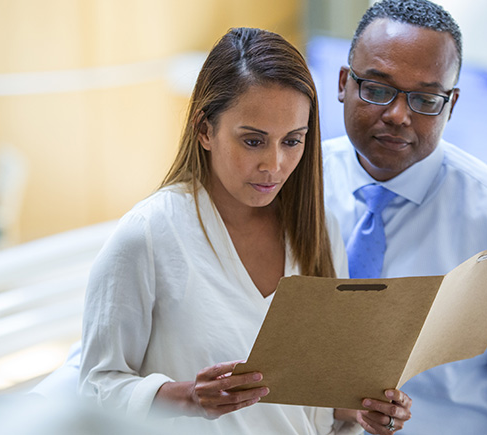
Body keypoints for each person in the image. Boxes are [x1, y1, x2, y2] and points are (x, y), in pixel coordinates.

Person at [78, 27, 412, 434]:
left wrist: (360, 410)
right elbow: (95, 389)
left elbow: (318, 404)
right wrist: (187, 397)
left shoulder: (319, 230)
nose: (274, 165)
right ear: (205, 130)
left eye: (292, 141)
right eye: (253, 141)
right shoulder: (148, 235)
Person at [322, 0, 487, 434]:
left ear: (452, 105)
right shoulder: (287, 191)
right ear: (342, 83)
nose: (397, 115)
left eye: (426, 98)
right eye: (376, 88)